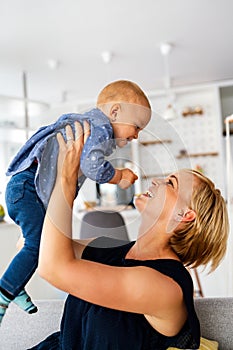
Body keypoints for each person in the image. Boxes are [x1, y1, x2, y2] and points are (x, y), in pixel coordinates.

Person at [31, 122, 229, 349]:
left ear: (185, 215)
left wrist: (66, 179)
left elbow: (52, 268)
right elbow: (37, 248)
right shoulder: (108, 249)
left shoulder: (165, 287)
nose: (156, 181)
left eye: (171, 184)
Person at [0, 80, 151, 326]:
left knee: (37, 244)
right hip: (27, 188)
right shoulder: (100, 129)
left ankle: (16, 285)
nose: (136, 135)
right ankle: (4, 294)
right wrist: (119, 176)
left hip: (23, 188)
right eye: (136, 126)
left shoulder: (84, 123)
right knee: (38, 245)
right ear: (114, 112)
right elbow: (92, 166)